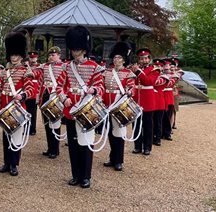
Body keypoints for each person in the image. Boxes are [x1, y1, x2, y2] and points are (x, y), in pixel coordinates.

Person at [56, 26, 104, 188]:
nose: (74, 52)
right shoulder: (67, 67)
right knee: (74, 145)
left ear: (83, 49)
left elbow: (100, 87)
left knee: (86, 144)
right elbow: (59, 86)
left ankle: (86, 176)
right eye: (73, 49)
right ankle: (76, 175)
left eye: (77, 49)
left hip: (85, 111)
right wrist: (64, 98)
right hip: (70, 111)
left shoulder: (94, 67)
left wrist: (94, 90)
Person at [0, 32, 34, 176]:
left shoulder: (26, 72)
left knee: (16, 136)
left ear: (21, 56)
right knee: (6, 136)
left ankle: (14, 164)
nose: (14, 57)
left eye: (16, 55)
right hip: (5, 106)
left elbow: (31, 90)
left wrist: (22, 95)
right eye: (12, 55)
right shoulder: (5, 72)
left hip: (17, 107)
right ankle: (6, 162)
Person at [102, 41, 135, 171]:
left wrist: (130, 91)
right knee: (110, 132)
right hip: (107, 103)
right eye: (115, 57)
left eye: (120, 57)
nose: (117, 59)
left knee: (119, 132)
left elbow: (131, 86)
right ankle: (112, 157)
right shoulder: (107, 72)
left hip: (119, 102)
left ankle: (119, 160)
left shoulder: (128, 73)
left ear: (124, 59)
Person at [131, 48, 159, 156]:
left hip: (148, 100)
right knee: (136, 125)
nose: (143, 60)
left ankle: (147, 147)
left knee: (147, 125)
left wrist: (138, 71)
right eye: (141, 58)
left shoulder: (154, 70)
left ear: (149, 59)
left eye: (145, 58)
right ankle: (137, 146)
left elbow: (148, 81)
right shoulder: (133, 69)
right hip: (136, 99)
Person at [38, 46, 64, 159]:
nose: (51, 57)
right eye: (49, 55)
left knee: (55, 123)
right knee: (47, 124)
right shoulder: (44, 66)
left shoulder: (64, 66)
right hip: (45, 95)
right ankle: (50, 148)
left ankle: (55, 149)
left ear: (59, 55)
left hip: (56, 95)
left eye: (53, 55)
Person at [152, 59, 169, 146]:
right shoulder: (151, 75)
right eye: (156, 65)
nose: (157, 67)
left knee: (158, 121)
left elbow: (154, 83)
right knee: (151, 121)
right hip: (151, 101)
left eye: (159, 66)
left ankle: (157, 138)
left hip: (159, 101)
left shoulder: (164, 77)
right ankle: (151, 137)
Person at [162, 59, 180, 141]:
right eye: (164, 65)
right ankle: (161, 132)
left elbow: (171, 83)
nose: (166, 67)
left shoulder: (173, 75)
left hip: (169, 96)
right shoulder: (160, 74)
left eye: (167, 65)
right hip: (161, 96)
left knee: (168, 115)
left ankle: (167, 132)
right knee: (161, 116)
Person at [26, 51, 41, 135]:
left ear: (36, 58)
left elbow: (37, 75)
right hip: (26, 91)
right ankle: (26, 127)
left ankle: (32, 129)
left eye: (34, 58)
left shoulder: (39, 66)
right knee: (26, 111)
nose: (32, 59)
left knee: (33, 111)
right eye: (31, 58)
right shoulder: (25, 66)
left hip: (34, 91)